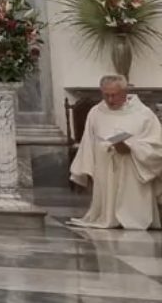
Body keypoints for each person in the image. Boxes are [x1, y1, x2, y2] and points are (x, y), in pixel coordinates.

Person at [69, 74, 162, 230]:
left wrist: (131, 147)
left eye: (114, 95)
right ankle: (109, 217)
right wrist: (84, 171)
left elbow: (156, 144)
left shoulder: (143, 113)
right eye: (106, 95)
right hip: (105, 165)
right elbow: (88, 141)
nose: (110, 100)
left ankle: (134, 218)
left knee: (133, 206)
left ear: (125, 92)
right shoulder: (96, 112)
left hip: (133, 165)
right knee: (108, 199)